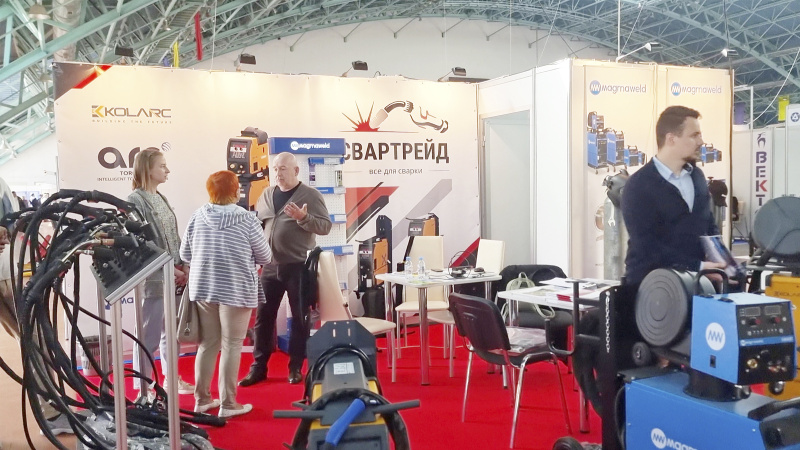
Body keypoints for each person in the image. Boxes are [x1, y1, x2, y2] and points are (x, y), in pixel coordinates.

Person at [180, 170, 272, 417]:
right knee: (232, 345)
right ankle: (228, 404)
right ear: (235, 190)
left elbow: (185, 254)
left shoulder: (198, 216)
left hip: (204, 287)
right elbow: (265, 256)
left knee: (207, 344)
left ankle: (202, 400)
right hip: (236, 287)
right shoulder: (247, 219)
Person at [239, 152, 332, 386]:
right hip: (269, 267)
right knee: (263, 318)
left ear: (296, 171)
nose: (278, 173)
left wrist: (304, 217)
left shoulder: (311, 195)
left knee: (300, 318)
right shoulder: (266, 194)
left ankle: (295, 367)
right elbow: (260, 224)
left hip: (298, 266)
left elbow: (325, 226)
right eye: (275, 169)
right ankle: (258, 367)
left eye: (283, 169)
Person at [621, 105, 726, 286]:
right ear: (671, 139)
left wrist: (724, 262)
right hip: (653, 287)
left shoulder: (697, 177)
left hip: (696, 284)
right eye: (694, 135)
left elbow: (708, 225)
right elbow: (647, 246)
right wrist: (698, 267)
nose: (701, 141)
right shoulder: (639, 186)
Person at [0, 178, 73, 436]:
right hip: (6, 276)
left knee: (36, 341)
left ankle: (53, 412)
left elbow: (10, 222)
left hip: (8, 272)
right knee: (36, 341)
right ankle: (51, 414)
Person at [127, 148, 194, 399]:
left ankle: (171, 378)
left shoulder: (161, 198)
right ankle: (143, 389)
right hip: (154, 277)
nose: (167, 171)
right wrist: (170, 266)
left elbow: (173, 236)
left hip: (173, 275)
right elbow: (141, 242)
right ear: (148, 169)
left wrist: (183, 263)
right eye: (162, 166)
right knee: (148, 336)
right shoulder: (136, 200)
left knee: (171, 333)